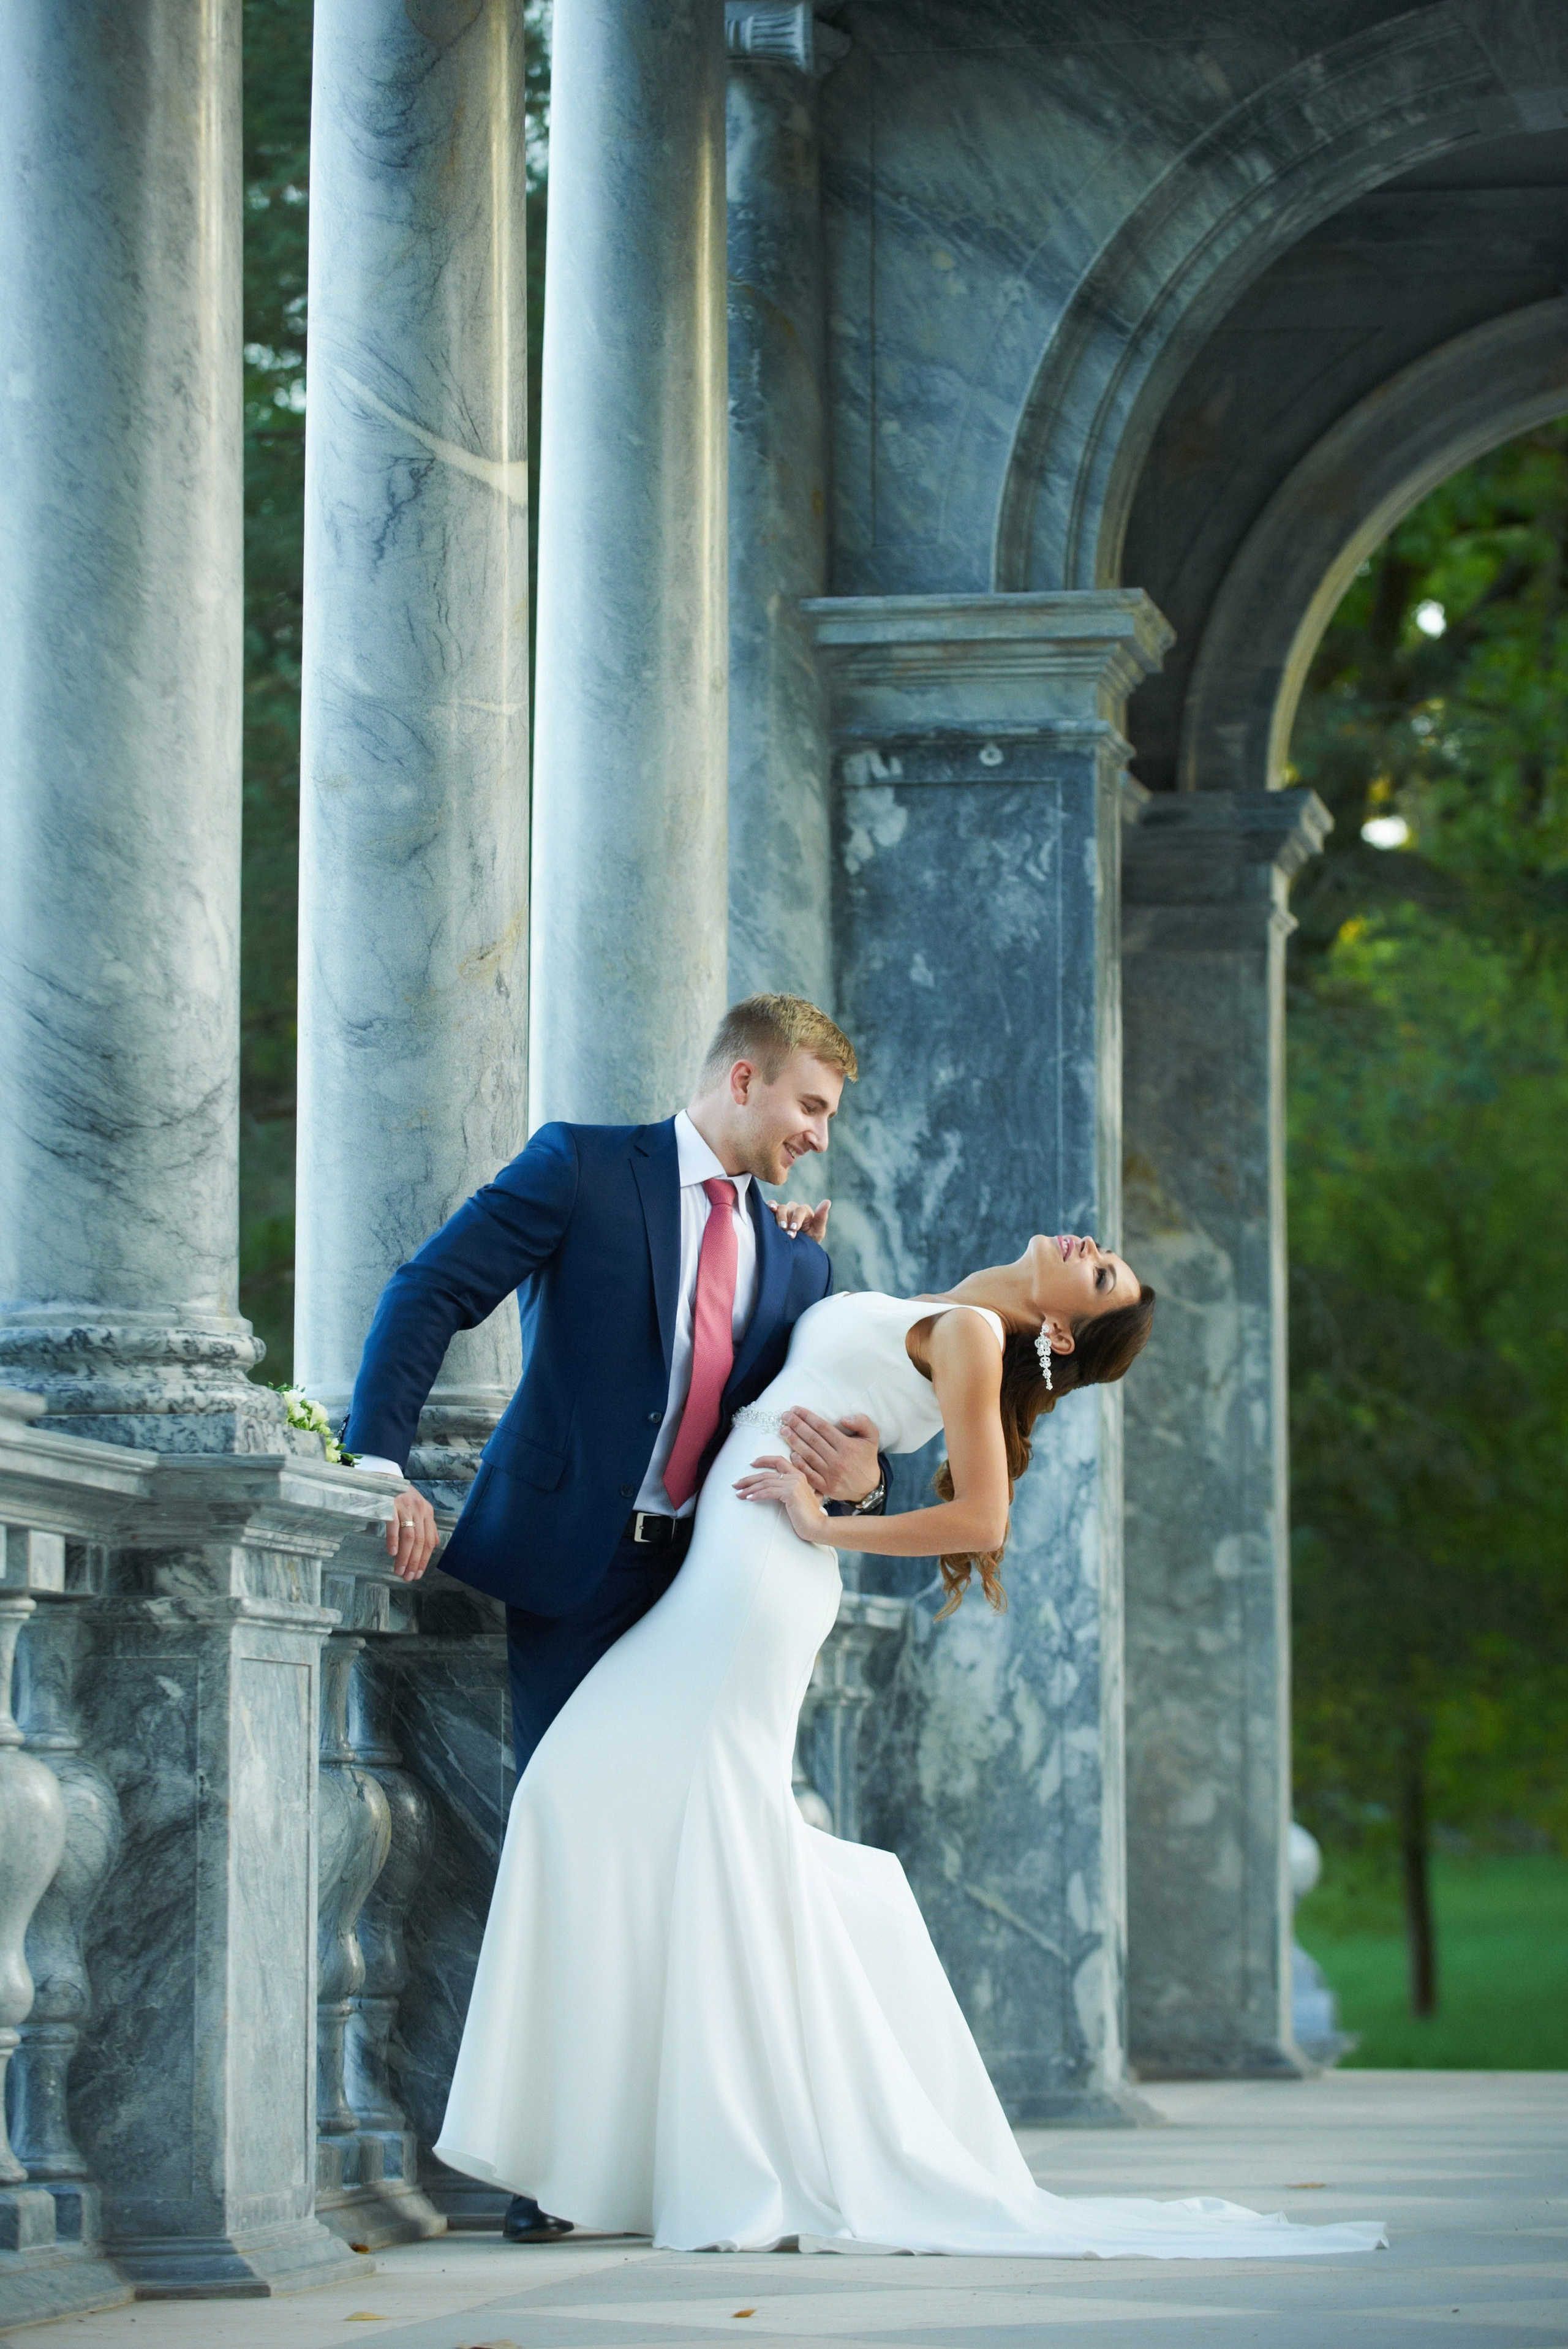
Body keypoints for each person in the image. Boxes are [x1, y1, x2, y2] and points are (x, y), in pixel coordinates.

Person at [430, 1233, 1387, 2257]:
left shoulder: (976, 1331)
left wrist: (827, 1523)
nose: (1092, 1247)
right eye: (1108, 1253)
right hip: (729, 1570)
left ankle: (656, 2154)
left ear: (1060, 1328)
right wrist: (786, 1250)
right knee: (662, 1828)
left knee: (587, 1800)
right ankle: (635, 2154)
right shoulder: (948, 1311)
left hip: (758, 1582)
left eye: (1102, 1274)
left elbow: (982, 1516)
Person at [342, 994, 891, 2241]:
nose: (816, 1134)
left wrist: (864, 1478)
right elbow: (426, 1291)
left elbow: (832, 1416)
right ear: (742, 1078)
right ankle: (560, 2170)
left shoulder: (799, 1259)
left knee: (699, 1860)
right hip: (571, 1575)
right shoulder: (582, 1166)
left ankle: (695, 2144)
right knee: (578, 1851)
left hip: (705, 1587)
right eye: (808, 1106)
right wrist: (378, 1461)